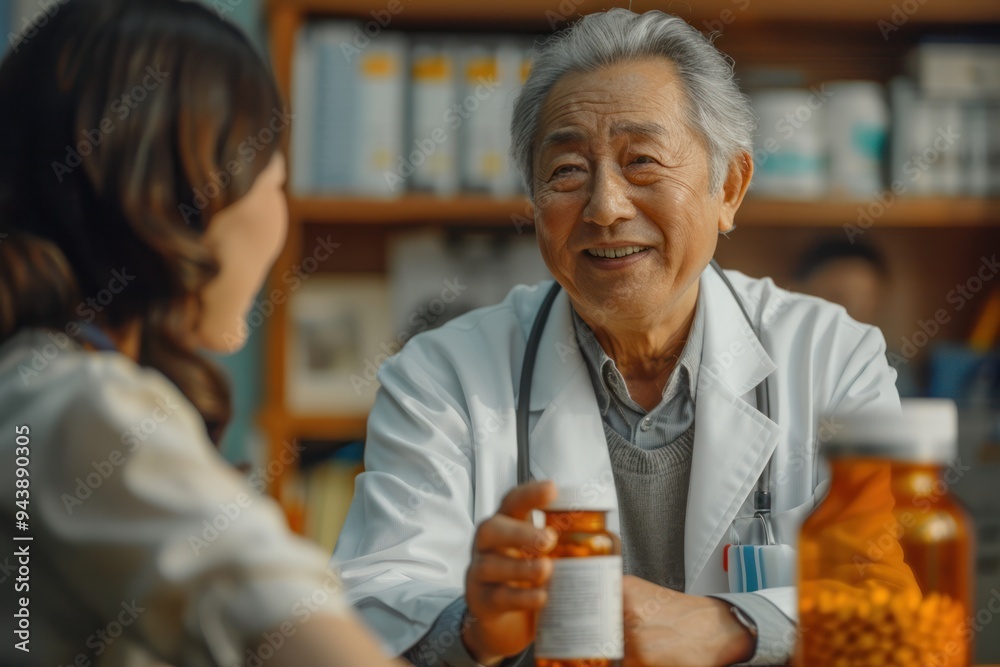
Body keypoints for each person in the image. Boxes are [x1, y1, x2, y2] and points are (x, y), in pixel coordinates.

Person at [332, 9, 904, 667]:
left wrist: (737, 628)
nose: (605, 207)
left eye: (642, 161)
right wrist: (474, 628)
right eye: (568, 171)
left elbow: (891, 605)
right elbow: (373, 612)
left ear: (730, 187)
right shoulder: (440, 376)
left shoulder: (835, 358)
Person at [0, 1, 399, 666]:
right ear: (177, 196)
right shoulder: (83, 408)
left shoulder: (31, 382)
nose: (281, 215)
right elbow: (293, 627)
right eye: (275, 180)